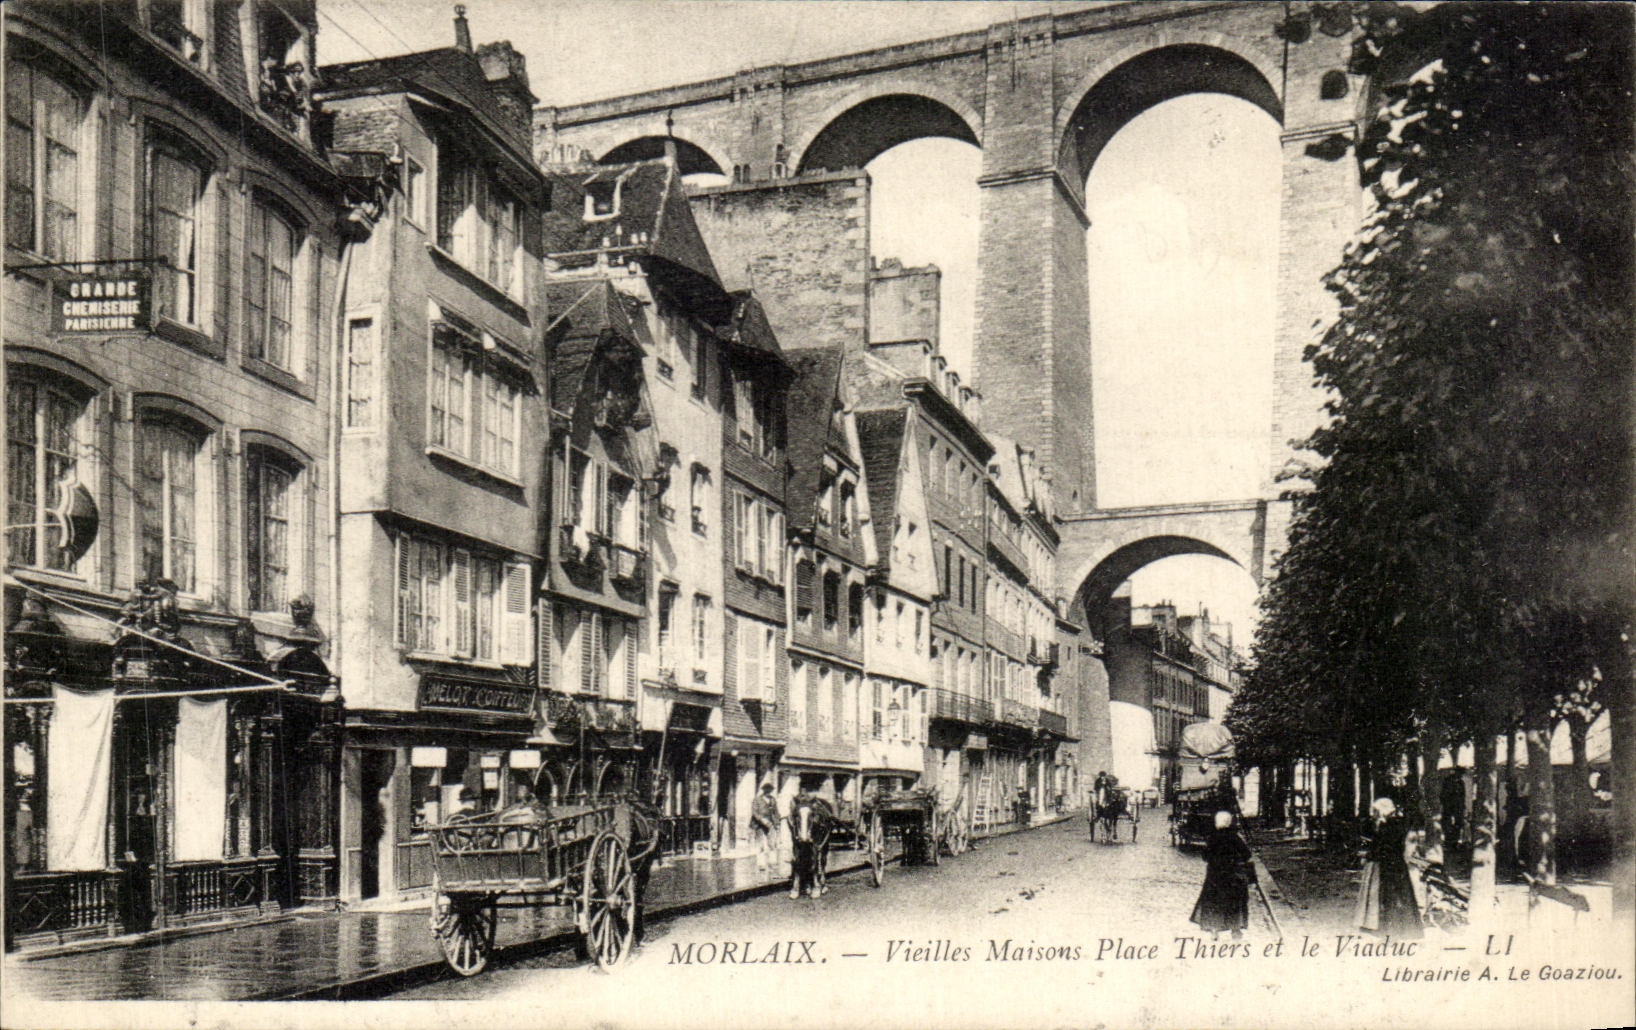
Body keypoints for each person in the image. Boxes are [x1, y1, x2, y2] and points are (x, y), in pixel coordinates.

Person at [1354, 797, 1423, 938]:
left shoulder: (1388, 825)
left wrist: (1369, 855)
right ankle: (1405, 928)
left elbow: (1384, 846)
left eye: (1376, 811)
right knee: (1401, 895)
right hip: (1396, 864)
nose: (1374, 815)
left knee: (1390, 896)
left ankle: (1391, 929)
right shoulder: (1396, 823)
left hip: (1388, 865)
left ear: (1382, 811)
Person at [1190, 811, 1255, 939]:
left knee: (1214, 901)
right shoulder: (1235, 837)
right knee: (1234, 901)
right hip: (1232, 875)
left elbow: (1205, 856)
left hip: (1215, 876)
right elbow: (1247, 854)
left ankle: (1214, 930)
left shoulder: (1212, 838)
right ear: (1229, 822)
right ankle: (1235, 930)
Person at [751, 782, 779, 876]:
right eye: (766, 790)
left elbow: (776, 812)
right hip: (759, 825)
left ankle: (772, 862)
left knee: (772, 844)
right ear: (763, 790)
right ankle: (761, 864)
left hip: (771, 824)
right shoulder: (757, 800)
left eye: (770, 790)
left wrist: (777, 823)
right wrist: (761, 819)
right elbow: (754, 812)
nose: (768, 792)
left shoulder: (773, 800)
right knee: (760, 845)